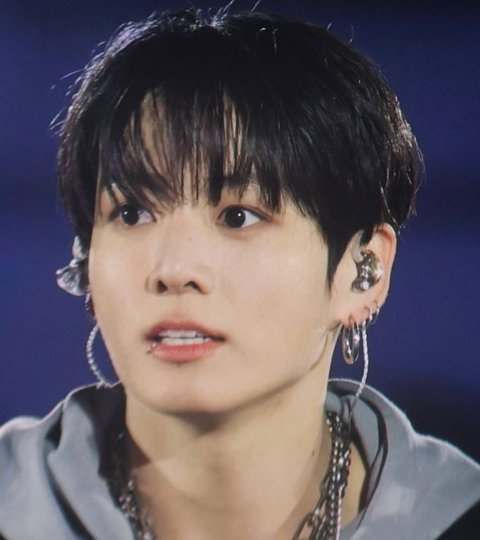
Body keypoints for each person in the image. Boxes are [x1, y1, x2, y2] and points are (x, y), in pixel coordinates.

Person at [0, 7, 479, 540]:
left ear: (361, 270)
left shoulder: (455, 520)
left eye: (238, 217)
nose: (173, 270)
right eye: (131, 213)